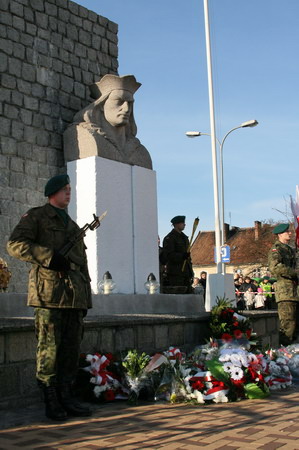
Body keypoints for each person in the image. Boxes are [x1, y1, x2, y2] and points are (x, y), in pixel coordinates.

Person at [6, 174, 92, 421]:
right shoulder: (37, 217)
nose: (69, 193)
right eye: (65, 189)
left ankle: (66, 396)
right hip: (49, 295)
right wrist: (48, 256)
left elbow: (81, 265)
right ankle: (50, 399)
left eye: (70, 189)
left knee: (70, 349)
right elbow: (15, 244)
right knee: (49, 350)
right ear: (52, 192)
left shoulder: (73, 226)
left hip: (74, 297)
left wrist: (86, 299)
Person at [64, 74, 152, 169]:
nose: (126, 109)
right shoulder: (83, 135)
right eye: (119, 101)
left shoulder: (140, 151)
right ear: (102, 104)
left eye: (129, 103)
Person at [268, 223, 299, 345]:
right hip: (286, 293)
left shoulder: (289, 250)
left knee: (296, 326)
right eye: (287, 232)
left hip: (295, 292)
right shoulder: (277, 249)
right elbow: (275, 267)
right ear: (280, 234)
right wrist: (294, 273)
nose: (290, 233)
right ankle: (284, 354)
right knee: (288, 325)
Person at [162, 216, 193, 294]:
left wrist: (190, 270)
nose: (184, 225)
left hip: (186, 272)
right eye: (182, 223)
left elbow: (188, 257)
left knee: (188, 294)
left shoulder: (184, 238)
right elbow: (169, 255)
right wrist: (182, 256)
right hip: (176, 272)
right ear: (176, 224)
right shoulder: (170, 238)